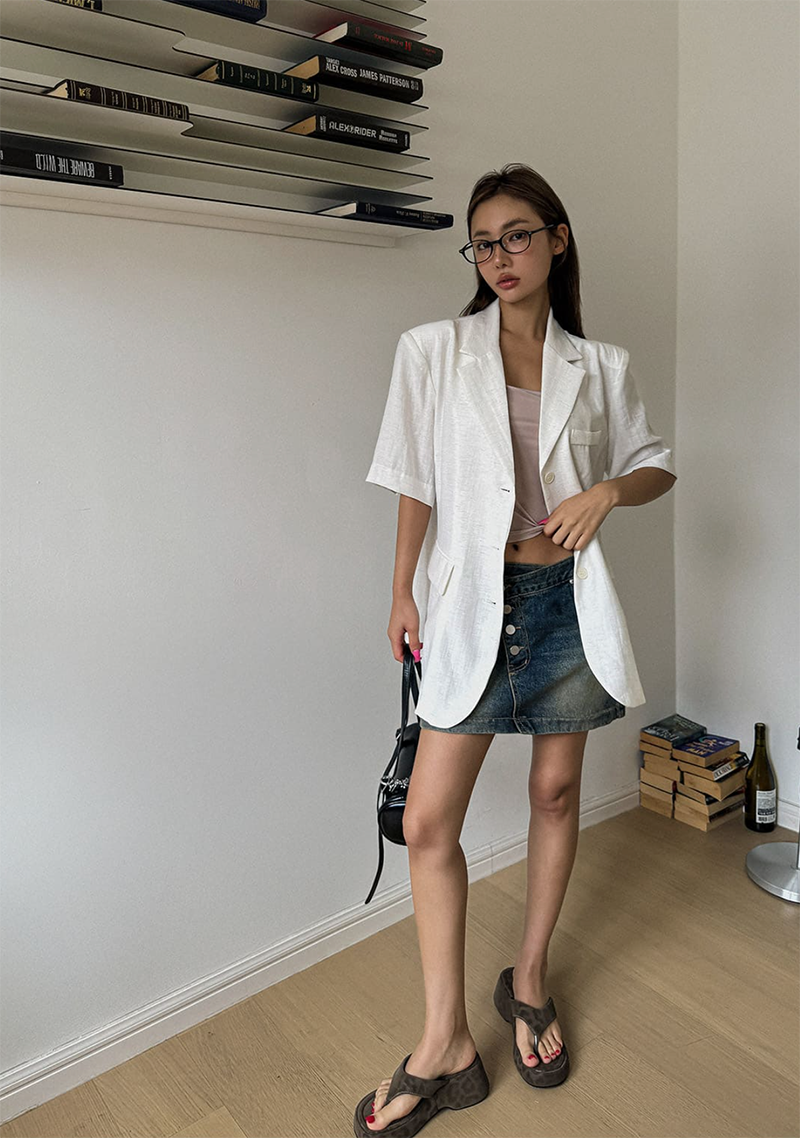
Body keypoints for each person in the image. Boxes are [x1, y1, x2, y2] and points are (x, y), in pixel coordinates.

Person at [355, 163, 677, 1136]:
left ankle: (527, 981)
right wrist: (401, 587)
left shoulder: (600, 365)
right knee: (426, 822)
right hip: (470, 602)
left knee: (553, 793)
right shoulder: (432, 351)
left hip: (561, 603)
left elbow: (654, 464)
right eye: (483, 242)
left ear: (557, 238)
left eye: (517, 236)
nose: (499, 257)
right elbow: (414, 477)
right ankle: (443, 1040)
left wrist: (605, 493)